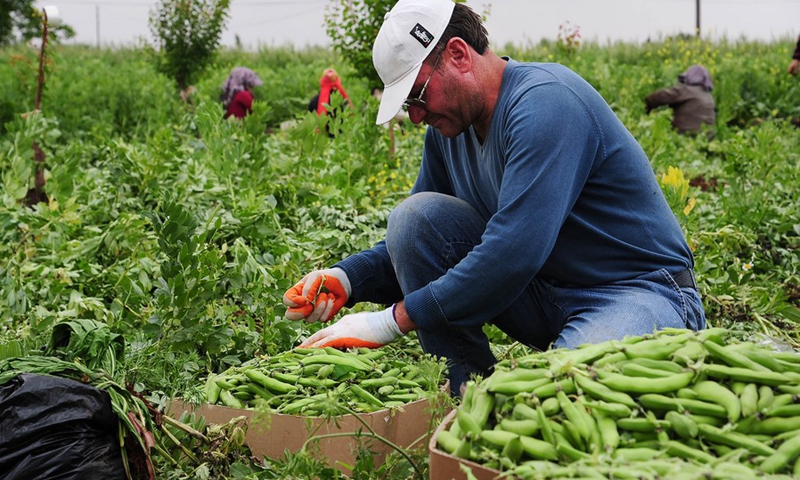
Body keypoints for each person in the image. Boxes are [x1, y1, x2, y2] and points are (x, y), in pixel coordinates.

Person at [282, 0, 705, 395]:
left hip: (636, 291)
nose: (414, 116)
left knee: (565, 391)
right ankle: (465, 393)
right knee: (415, 219)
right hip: (544, 293)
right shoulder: (449, 132)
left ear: (459, 55)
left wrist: (393, 320)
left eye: (417, 95)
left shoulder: (545, 103)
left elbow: (512, 253)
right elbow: (413, 244)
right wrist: (347, 279)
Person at [645, 65, 715, 136]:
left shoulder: (686, 90)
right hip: (706, 138)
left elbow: (659, 97)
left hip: (686, 135)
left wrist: (646, 105)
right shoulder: (709, 96)